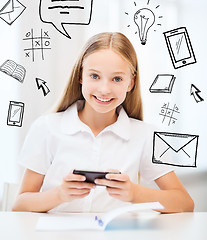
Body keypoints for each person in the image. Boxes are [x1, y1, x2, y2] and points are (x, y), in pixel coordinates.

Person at [12, 32, 194, 213]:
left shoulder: (146, 135)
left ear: (131, 83)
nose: (104, 89)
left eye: (117, 79)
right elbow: (19, 205)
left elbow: (185, 203)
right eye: (95, 76)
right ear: (81, 75)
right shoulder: (46, 128)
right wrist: (60, 194)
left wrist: (134, 192)